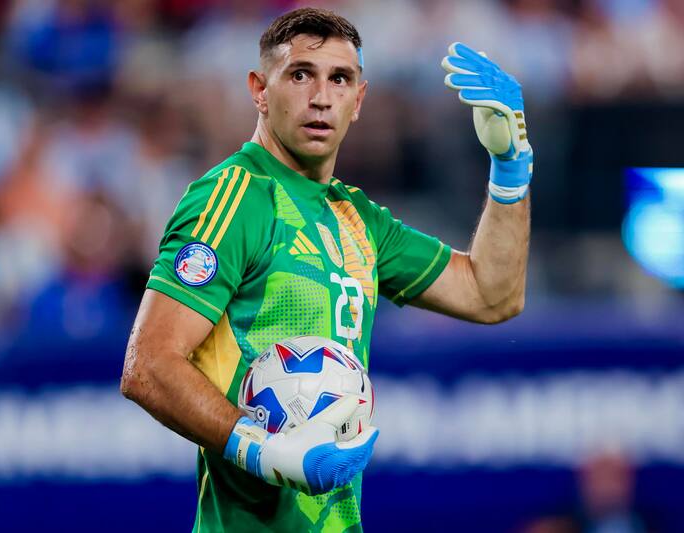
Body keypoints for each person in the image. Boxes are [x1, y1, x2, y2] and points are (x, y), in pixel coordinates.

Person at [121, 7, 532, 532]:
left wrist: (511, 165)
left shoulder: (358, 218)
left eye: (339, 79)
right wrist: (264, 451)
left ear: (358, 100)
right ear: (259, 89)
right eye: (300, 75)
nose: (321, 97)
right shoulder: (236, 197)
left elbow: (492, 294)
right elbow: (149, 365)